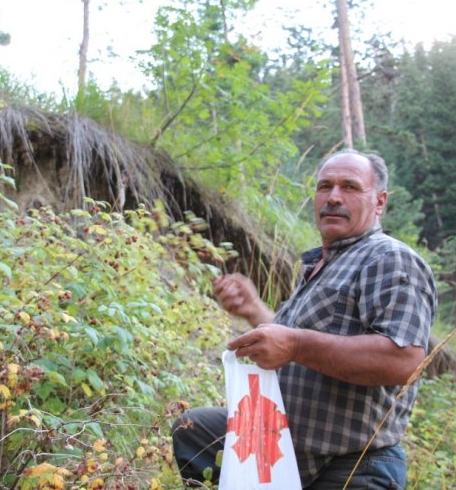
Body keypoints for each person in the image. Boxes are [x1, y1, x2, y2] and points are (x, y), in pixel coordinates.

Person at [171, 149, 437, 489]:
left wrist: (295, 344)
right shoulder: (319, 266)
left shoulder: (389, 258)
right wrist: (254, 309)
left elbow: (404, 360)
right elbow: (294, 350)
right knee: (193, 430)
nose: (334, 197)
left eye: (350, 187)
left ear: (380, 201)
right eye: (325, 186)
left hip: (351, 466)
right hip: (281, 450)